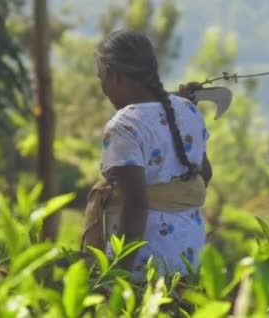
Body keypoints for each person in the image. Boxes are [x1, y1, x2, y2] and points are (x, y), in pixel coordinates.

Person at [82, 29, 212, 280]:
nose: (103, 89)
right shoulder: (188, 110)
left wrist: (117, 277)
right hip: (190, 254)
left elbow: (136, 205)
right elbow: (204, 175)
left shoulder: (124, 125)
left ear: (115, 76)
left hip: (145, 262)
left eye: (102, 78)